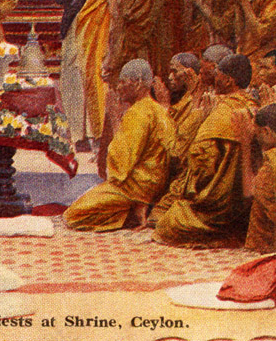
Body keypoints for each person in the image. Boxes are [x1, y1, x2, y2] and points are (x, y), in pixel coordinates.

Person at [154, 53, 256, 248]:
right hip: (246, 206)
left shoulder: (220, 112)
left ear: (227, 80)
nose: (213, 78)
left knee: (168, 222)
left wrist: (203, 119)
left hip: (218, 207)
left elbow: (201, 165)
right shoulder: (254, 105)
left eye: (217, 74)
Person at [63, 59, 174, 231]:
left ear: (137, 83)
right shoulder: (158, 108)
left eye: (122, 82)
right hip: (154, 185)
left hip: (134, 187)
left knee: (74, 215)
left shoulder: (139, 113)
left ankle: (130, 209)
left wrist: (115, 119)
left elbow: (120, 163)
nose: (118, 87)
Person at [59, 0, 119, 149]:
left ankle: (98, 133)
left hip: (100, 27)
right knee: (73, 79)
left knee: (94, 77)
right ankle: (77, 135)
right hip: (75, 28)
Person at [149, 52, 207, 225]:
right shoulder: (186, 99)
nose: (170, 77)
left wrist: (165, 107)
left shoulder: (195, 102)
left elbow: (175, 147)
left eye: (175, 72)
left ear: (189, 73)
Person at [233, 102, 276, 252]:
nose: (255, 139)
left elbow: (249, 193)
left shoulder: (272, 162)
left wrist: (245, 145)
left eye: (257, 134)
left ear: (266, 132)